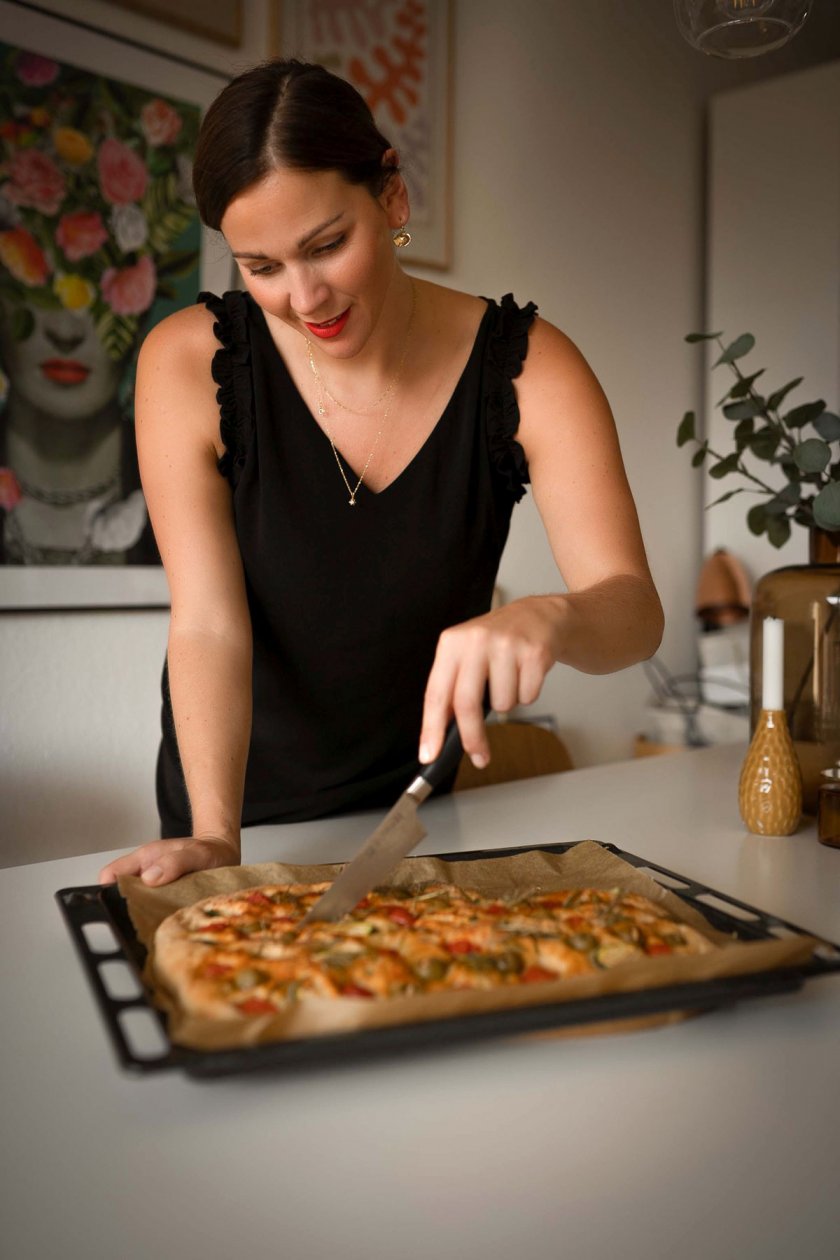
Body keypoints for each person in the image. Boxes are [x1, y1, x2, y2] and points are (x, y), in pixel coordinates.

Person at [98, 59, 663, 889]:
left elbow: (635, 611)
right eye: (261, 267)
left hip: (419, 818)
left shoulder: (533, 369)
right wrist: (218, 838)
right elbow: (209, 624)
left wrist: (555, 617)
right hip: (231, 816)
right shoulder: (186, 364)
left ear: (391, 198)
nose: (305, 297)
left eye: (327, 245)